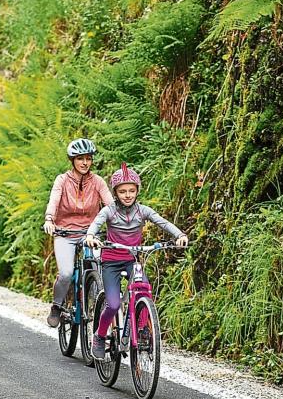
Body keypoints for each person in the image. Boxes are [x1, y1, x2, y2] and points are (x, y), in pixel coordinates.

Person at [84, 163, 188, 359]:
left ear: (137, 191)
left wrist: (179, 235)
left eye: (132, 190)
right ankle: (99, 335)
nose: (128, 195)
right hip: (111, 261)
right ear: (115, 193)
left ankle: (142, 330)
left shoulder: (143, 211)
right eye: (122, 191)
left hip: (132, 260)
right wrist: (91, 236)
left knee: (144, 289)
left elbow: (162, 222)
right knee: (113, 304)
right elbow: (96, 224)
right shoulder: (109, 211)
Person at [43, 138, 114, 328]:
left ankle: (96, 301)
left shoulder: (97, 181)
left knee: (98, 267)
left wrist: (121, 222)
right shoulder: (62, 180)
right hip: (64, 233)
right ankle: (57, 306)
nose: (85, 163)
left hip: (90, 234)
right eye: (80, 158)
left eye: (88, 158)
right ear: (72, 160)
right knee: (66, 273)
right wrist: (49, 219)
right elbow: (54, 200)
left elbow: (111, 205)